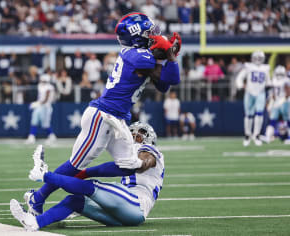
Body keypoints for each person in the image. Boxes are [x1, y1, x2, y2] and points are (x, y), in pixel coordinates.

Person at [23, 12, 181, 217]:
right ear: (136, 35)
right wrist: (166, 50)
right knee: (75, 165)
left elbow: (167, 83)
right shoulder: (133, 54)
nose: (152, 35)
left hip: (118, 119)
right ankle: (38, 196)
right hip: (103, 116)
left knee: (128, 167)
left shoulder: (141, 57)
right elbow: (159, 67)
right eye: (148, 32)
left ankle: (60, 188)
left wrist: (171, 57)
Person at [10, 122, 164, 231]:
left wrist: (140, 163)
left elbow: (145, 161)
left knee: (92, 186)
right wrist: (84, 173)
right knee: (74, 201)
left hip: (136, 204)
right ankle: (35, 222)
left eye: (139, 135)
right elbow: (113, 169)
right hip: (123, 212)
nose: (134, 136)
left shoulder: (150, 151)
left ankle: (44, 175)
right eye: (132, 133)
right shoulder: (130, 156)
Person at [236, 51, 270, 146]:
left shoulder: (265, 68)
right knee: (248, 115)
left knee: (259, 114)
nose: (258, 60)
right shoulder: (248, 67)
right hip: (249, 92)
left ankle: (256, 135)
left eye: (260, 58)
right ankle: (247, 135)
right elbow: (239, 78)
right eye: (257, 58)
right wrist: (240, 86)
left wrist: (269, 88)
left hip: (261, 93)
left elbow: (268, 82)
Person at [263, 65, 290, 144]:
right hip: (277, 101)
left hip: (286, 100)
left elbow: (289, 92)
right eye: (278, 74)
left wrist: (282, 100)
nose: (279, 75)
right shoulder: (274, 80)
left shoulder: (286, 80)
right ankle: (268, 137)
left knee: (288, 119)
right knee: (272, 120)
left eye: (281, 74)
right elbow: (273, 93)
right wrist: (272, 102)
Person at [26, 69, 57, 145]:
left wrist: (37, 104)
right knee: (34, 119)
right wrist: (37, 103)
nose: (41, 81)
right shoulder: (40, 86)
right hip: (40, 106)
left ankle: (51, 136)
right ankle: (32, 136)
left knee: (45, 124)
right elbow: (40, 98)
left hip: (46, 107)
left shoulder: (49, 87)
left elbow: (46, 99)